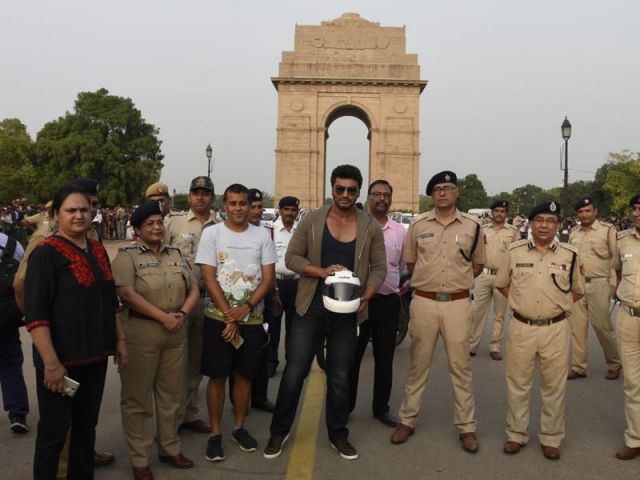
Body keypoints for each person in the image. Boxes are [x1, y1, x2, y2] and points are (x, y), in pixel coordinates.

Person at [264, 165, 387, 461]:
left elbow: (380, 267)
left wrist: (367, 295)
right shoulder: (312, 220)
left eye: (351, 190)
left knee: (341, 375)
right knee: (295, 372)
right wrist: (320, 271)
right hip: (313, 304)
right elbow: (292, 257)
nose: (345, 194)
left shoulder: (369, 225)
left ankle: (338, 434)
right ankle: (278, 432)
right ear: (331, 188)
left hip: (349, 308)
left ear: (359, 191)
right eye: (340, 189)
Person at [24, 184, 127, 479]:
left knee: (85, 430)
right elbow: (36, 316)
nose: (79, 215)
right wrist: (52, 364)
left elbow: (110, 300)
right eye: (70, 210)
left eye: (84, 209)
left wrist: (120, 340)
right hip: (60, 363)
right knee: (54, 434)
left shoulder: (96, 249)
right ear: (56, 214)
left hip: (94, 357)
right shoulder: (45, 254)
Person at [391, 171, 484, 454]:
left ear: (457, 193)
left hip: (457, 303)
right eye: (438, 189)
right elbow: (410, 261)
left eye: (448, 188)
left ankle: (467, 427)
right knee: (418, 365)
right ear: (432, 195)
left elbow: (478, 264)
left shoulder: (473, 225)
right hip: (425, 302)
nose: (443, 193)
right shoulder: (418, 225)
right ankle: (407, 420)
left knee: (461, 368)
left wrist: (455, 283)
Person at [112, 201, 199, 480]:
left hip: (176, 330)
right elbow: (126, 294)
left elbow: (194, 288)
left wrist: (183, 314)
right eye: (149, 224)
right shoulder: (127, 257)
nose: (157, 227)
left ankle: (169, 448)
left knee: (171, 394)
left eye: (159, 223)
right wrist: (163, 318)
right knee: (138, 398)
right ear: (137, 229)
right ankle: (140, 458)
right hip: (142, 331)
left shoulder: (175, 253)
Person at [496, 201, 585, 460]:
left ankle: (551, 437)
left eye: (550, 220)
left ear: (558, 225)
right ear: (531, 224)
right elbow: (502, 284)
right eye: (539, 220)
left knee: (554, 386)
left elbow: (578, 291)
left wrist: (555, 308)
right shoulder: (514, 252)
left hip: (555, 329)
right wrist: (521, 304)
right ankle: (516, 434)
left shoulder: (569, 254)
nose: (544, 225)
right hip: (522, 327)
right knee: (518, 384)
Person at [195, 183, 276, 462]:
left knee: (244, 377)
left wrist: (246, 308)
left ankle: (238, 427)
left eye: (243, 203)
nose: (238, 209)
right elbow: (208, 277)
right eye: (233, 203)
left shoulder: (262, 235)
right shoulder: (212, 234)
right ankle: (215, 433)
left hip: (251, 318)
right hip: (218, 317)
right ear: (224, 205)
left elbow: (268, 278)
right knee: (217, 377)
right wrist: (230, 313)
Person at [348, 179, 405, 427]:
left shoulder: (401, 232)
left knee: (385, 359)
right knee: (351, 357)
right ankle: (345, 406)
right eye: (377, 194)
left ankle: (381, 408)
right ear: (368, 197)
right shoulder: (352, 226)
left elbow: (404, 266)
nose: (381, 198)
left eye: (386, 194)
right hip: (356, 304)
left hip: (387, 303)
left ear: (391, 199)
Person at [164, 176, 217, 434]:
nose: (200, 197)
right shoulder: (172, 223)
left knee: (195, 361)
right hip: (177, 301)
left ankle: (188, 413)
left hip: (207, 301)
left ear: (212, 197)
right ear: (190, 195)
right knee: (174, 363)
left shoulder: (221, 226)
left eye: (205, 193)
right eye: (196, 192)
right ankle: (170, 418)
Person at [567, 197, 621, 380]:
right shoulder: (573, 233)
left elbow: (617, 260)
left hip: (599, 283)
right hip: (578, 285)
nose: (584, 215)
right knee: (577, 328)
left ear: (595, 211)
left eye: (588, 210)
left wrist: (614, 285)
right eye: (581, 212)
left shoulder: (607, 231)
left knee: (602, 327)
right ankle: (578, 366)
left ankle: (614, 363)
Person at [468, 200, 518, 360]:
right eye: (496, 211)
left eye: (502, 211)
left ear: (506, 214)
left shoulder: (513, 231)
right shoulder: (482, 229)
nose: (499, 214)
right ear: (492, 213)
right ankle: (471, 345)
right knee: (476, 312)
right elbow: (474, 251)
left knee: (499, 314)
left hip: (502, 277)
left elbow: (516, 255)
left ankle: (495, 346)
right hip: (482, 275)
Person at [612, 193, 640, 460]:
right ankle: (636, 437)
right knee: (632, 383)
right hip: (628, 316)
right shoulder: (622, 241)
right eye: (635, 208)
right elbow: (618, 271)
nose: (637, 212)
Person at [0, 232, 29, 434]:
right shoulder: (10, 243)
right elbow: (22, 278)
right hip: (6, 313)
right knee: (10, 363)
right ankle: (17, 414)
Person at [269, 195, 300, 377]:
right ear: (280, 211)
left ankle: (292, 363)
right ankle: (271, 362)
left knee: (294, 327)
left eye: (293, 210)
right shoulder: (270, 230)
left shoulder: (302, 230)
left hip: (297, 283)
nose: (289, 213)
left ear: (297, 211)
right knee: (273, 326)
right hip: (276, 282)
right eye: (286, 209)